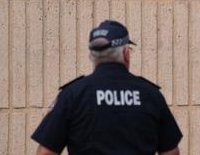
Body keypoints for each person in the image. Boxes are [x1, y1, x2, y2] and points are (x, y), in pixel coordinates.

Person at [31, 20, 182, 155]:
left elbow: (45, 152)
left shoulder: (73, 94)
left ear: (92, 56)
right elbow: (171, 152)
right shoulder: (150, 94)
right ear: (126, 54)